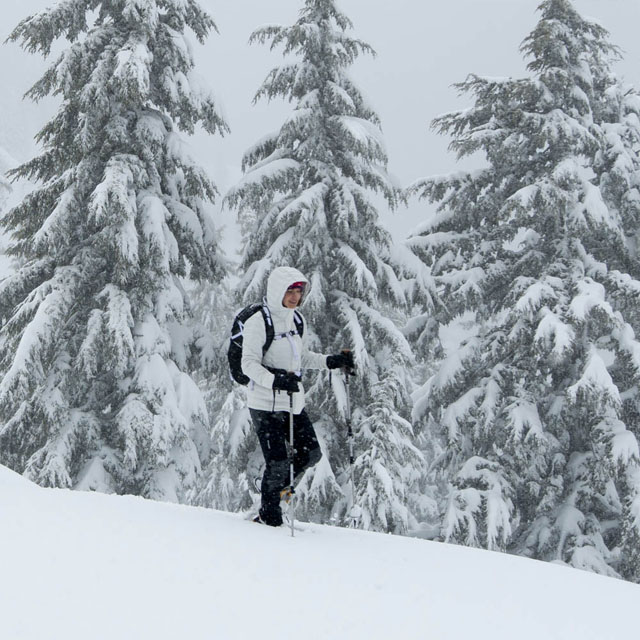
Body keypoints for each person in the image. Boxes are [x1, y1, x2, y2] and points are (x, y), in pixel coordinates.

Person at [241, 266, 354, 526]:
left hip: (292, 402)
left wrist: (331, 361)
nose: (295, 296)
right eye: (290, 291)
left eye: (299, 291)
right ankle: (268, 519)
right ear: (277, 290)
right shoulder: (258, 322)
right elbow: (248, 364)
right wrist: (276, 379)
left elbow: (300, 358)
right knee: (278, 461)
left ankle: (278, 491)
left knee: (310, 454)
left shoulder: (296, 320)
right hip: (264, 404)